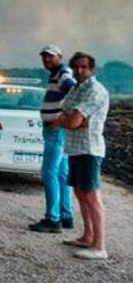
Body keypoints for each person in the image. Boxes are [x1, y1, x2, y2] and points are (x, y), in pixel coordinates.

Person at [57, 52, 110, 260]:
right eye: (76, 67)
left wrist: (69, 119)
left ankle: (100, 245)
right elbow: (66, 114)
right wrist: (70, 119)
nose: (79, 70)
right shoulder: (76, 88)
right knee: (80, 192)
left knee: (92, 195)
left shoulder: (96, 91)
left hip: (90, 148)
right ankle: (88, 236)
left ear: (91, 69)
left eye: (84, 67)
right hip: (75, 148)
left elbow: (70, 121)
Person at [29, 45, 76, 234]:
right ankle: (66, 215)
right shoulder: (55, 74)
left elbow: (74, 92)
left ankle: (52, 219)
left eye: (50, 57)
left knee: (49, 172)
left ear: (59, 57)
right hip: (58, 131)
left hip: (56, 131)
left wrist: (62, 117)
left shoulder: (63, 74)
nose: (46, 60)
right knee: (62, 174)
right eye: (44, 57)